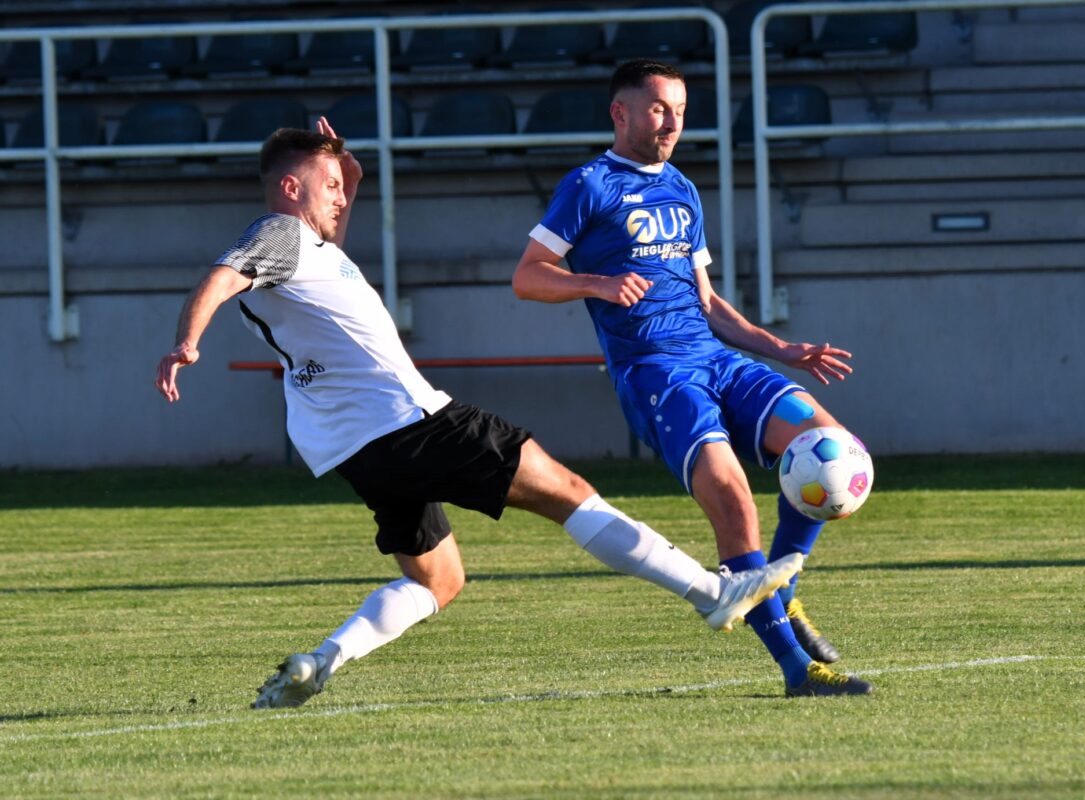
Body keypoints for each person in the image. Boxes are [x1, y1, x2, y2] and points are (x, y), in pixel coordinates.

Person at [154, 119, 806, 710]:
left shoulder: (305, 251)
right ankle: (713, 595)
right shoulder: (278, 233)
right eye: (327, 186)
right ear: (290, 188)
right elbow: (223, 276)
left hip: (357, 450)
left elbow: (314, 253)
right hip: (411, 420)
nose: (340, 198)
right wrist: (189, 342)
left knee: (440, 579)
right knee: (569, 494)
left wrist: (349, 170)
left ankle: (319, 661)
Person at [512, 59, 873, 697]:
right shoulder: (589, 185)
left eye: (680, 108)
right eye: (658, 108)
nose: (674, 121)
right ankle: (796, 667)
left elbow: (706, 300)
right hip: (656, 373)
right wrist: (595, 282)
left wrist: (779, 347)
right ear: (620, 113)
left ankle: (780, 594)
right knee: (732, 499)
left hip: (717, 359)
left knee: (833, 449)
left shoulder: (681, 186)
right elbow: (529, 274)